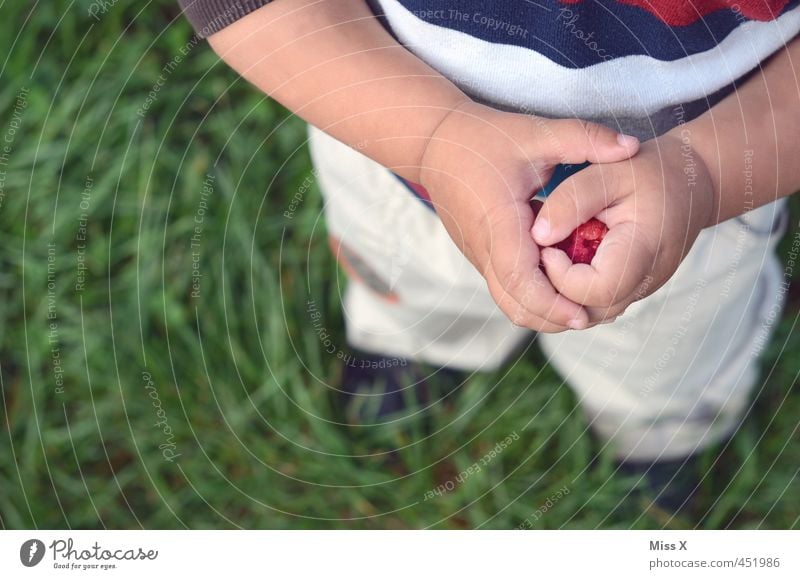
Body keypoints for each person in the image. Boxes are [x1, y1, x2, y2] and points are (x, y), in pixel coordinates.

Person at [177, 0, 800, 512]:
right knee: (407, 278)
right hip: (393, 136)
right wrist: (432, 137)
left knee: (670, 354)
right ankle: (417, 341)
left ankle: (658, 432)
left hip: (701, 198)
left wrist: (708, 175)